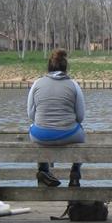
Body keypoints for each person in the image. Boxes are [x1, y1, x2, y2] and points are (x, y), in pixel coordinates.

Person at [28, 49, 85, 187]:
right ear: (65, 67)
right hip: (69, 135)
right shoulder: (74, 85)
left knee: (32, 128)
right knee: (82, 132)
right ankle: (75, 173)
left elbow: (31, 115)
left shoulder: (36, 84)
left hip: (40, 136)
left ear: (49, 66)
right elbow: (80, 117)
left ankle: (43, 170)